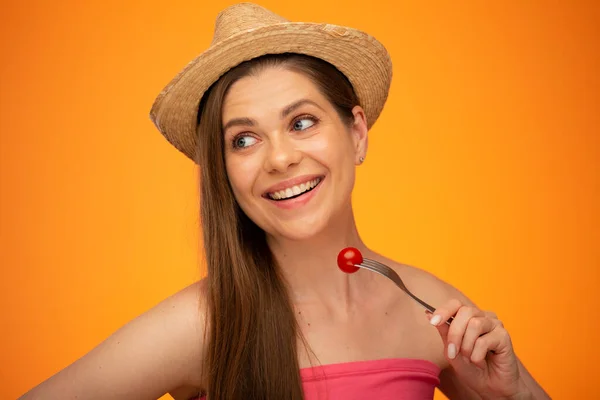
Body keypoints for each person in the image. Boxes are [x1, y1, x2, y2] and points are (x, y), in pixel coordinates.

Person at [20, 3, 551, 399]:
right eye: (243, 140)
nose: (279, 159)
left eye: (302, 122)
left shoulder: (431, 312)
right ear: (224, 171)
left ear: (357, 133)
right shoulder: (203, 324)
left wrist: (516, 394)